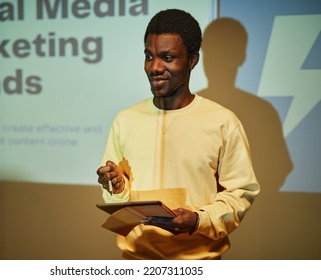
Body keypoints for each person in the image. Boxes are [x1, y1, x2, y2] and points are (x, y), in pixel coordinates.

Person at [96, 9, 260, 260]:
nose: (155, 67)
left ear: (192, 60)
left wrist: (198, 220)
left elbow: (240, 194)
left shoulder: (222, 121)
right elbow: (117, 198)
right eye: (149, 57)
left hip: (198, 263)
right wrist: (117, 187)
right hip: (135, 261)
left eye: (167, 57)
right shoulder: (125, 120)